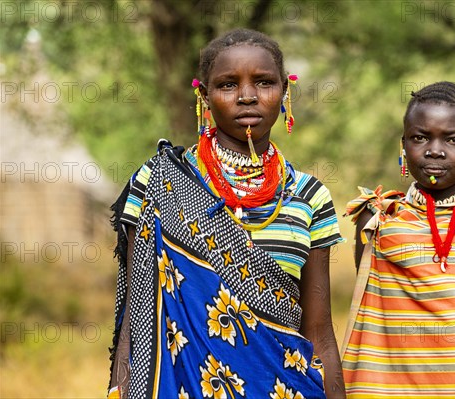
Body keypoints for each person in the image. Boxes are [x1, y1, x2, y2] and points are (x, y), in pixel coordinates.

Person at [108, 29, 346, 399]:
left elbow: (320, 333)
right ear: (203, 95)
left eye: (264, 83)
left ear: (285, 91)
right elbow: (138, 317)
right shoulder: (158, 182)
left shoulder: (308, 195)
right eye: (227, 85)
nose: (248, 96)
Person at [341, 82, 455, 398]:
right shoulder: (379, 218)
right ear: (403, 145)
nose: (435, 150)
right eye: (420, 137)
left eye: (454, 139)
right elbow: (372, 307)